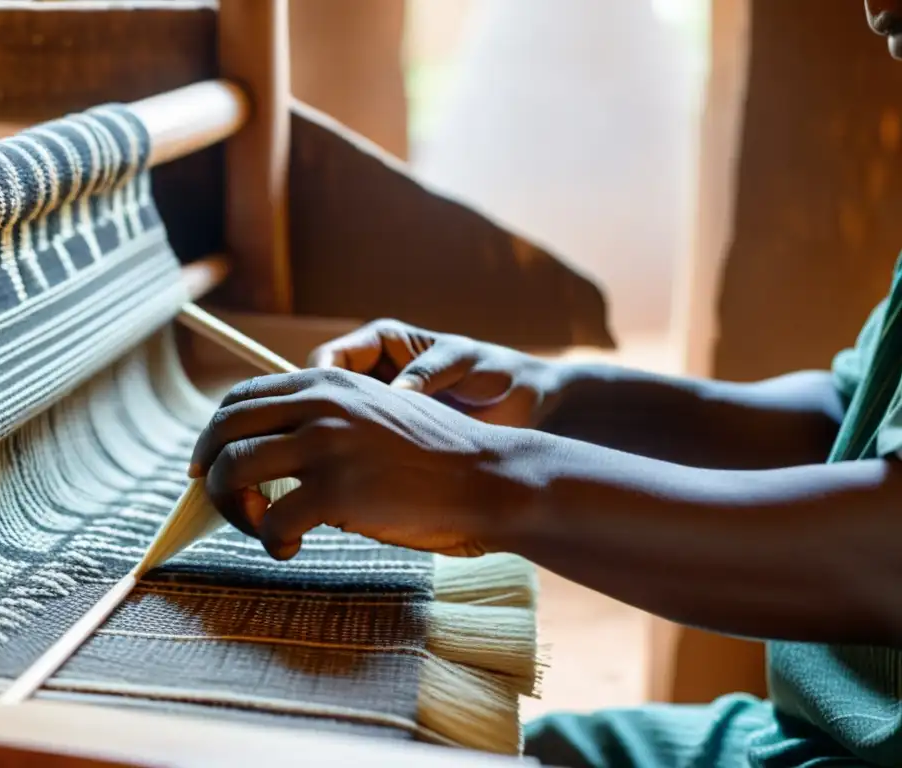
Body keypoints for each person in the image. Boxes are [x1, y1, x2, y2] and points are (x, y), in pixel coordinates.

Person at [187, 2, 902, 765]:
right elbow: (843, 414)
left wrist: (482, 475)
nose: (874, 6)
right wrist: (555, 398)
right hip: (790, 741)